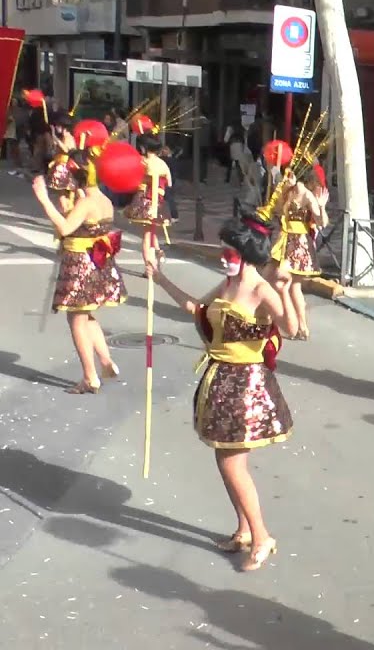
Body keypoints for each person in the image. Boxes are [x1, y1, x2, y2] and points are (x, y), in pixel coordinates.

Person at [145, 202, 299, 572]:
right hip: (220, 379)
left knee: (231, 464)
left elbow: (292, 330)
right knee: (226, 460)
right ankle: (245, 530)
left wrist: (287, 289)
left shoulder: (262, 290)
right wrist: (159, 276)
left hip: (246, 386)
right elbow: (196, 309)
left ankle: (262, 537)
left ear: (245, 254)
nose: (223, 257)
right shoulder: (229, 282)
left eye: (228, 251)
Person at [31, 150, 125, 394]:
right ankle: (105, 362)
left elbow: (65, 228)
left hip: (80, 264)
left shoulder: (86, 203)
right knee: (86, 315)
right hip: (98, 262)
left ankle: (89, 376)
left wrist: (43, 198)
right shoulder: (104, 199)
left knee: (76, 318)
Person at [269, 169, 329, 340]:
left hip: (297, 243)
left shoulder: (305, 195)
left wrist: (321, 205)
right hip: (286, 241)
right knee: (275, 280)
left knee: (289, 285)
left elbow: (322, 222)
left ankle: (298, 325)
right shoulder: (291, 192)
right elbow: (278, 210)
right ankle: (288, 322)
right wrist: (277, 185)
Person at [124, 134, 173, 265]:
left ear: (143, 147)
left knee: (146, 235)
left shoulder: (142, 162)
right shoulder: (162, 163)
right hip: (159, 201)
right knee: (151, 231)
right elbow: (169, 183)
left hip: (146, 200)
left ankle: (149, 267)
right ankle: (157, 251)